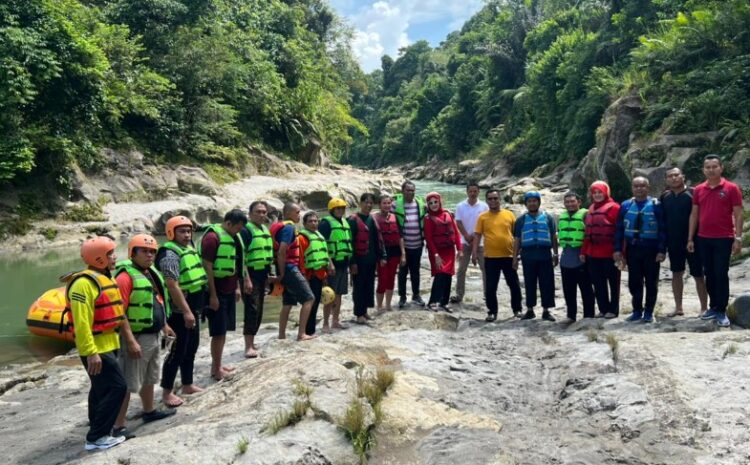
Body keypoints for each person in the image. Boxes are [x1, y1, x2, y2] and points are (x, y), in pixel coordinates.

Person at [64, 236, 127, 450]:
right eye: (110, 254)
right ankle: (97, 437)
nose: (114, 257)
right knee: (118, 387)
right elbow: (81, 323)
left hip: (109, 344)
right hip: (96, 349)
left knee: (100, 389)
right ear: (98, 258)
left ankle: (99, 428)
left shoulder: (103, 277)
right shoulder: (83, 284)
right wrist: (90, 352)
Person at [114, 234, 176, 438]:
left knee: (150, 377)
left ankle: (149, 411)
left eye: (152, 251)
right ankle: (118, 426)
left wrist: (165, 325)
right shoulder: (125, 277)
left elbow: (157, 300)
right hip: (138, 337)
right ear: (133, 253)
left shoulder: (150, 273)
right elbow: (119, 312)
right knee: (128, 382)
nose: (149, 255)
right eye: (144, 251)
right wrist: (130, 340)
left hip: (154, 334)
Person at [688, 155, 744, 327]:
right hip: (703, 238)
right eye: (707, 167)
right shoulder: (698, 189)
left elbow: (739, 213)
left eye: (714, 166)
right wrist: (690, 238)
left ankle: (721, 309)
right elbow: (695, 214)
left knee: (721, 273)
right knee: (709, 273)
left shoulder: (731, 188)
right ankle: (713, 306)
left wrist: (738, 238)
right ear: (703, 170)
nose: (711, 170)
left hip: (724, 238)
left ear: (721, 168)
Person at [157, 216, 207, 408]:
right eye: (182, 232)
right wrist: (186, 312)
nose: (187, 235)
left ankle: (188, 384)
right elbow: (172, 285)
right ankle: (167, 392)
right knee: (177, 351)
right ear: (171, 233)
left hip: (193, 306)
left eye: (189, 231)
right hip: (179, 310)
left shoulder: (189, 248)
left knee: (192, 347)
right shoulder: (169, 254)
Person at [200, 209, 249, 379]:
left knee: (224, 330)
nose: (239, 231)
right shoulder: (212, 238)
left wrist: (236, 287)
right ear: (228, 223)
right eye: (238, 227)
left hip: (229, 288)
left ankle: (218, 365)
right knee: (218, 331)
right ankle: (215, 369)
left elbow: (234, 264)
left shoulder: (233, 237)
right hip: (217, 291)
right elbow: (207, 267)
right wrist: (213, 295)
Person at [614, 177, 667, 323]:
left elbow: (663, 229)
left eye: (642, 186)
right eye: (636, 186)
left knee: (651, 282)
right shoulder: (625, 205)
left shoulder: (656, 205)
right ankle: (637, 310)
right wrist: (618, 249)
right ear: (632, 188)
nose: (639, 189)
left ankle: (649, 312)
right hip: (632, 249)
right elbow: (619, 229)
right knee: (634, 281)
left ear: (648, 187)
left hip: (651, 249)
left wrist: (662, 250)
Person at [660, 167, 708, 317]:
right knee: (676, 273)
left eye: (676, 175)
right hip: (673, 242)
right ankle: (678, 307)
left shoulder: (694, 193)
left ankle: (704, 308)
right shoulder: (664, 197)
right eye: (670, 176)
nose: (674, 178)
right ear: (666, 179)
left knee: (698, 275)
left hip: (694, 241)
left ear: (683, 176)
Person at [473, 188, 523, 321]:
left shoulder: (509, 215)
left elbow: (516, 235)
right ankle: (492, 311)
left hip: (508, 256)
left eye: (495, 198)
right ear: (487, 201)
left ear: (500, 199)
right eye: (490, 199)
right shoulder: (482, 217)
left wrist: (517, 254)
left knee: (514, 285)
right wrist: (474, 252)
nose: (493, 201)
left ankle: (517, 309)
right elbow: (477, 236)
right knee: (490, 287)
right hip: (490, 257)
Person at [271, 202, 316, 340]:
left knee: (288, 302)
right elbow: (282, 251)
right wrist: (282, 274)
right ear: (288, 213)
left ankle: (281, 335)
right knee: (309, 298)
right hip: (289, 268)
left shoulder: (280, 227)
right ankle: (301, 334)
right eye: (297, 212)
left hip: (283, 267)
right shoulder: (289, 228)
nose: (299, 215)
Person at [513, 191, 558, 321]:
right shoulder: (521, 220)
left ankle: (546, 310)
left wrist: (555, 254)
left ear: (539, 202)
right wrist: (515, 257)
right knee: (529, 282)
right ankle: (530, 309)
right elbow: (517, 239)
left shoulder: (548, 217)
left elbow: (553, 237)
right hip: (528, 255)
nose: (532, 203)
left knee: (547, 282)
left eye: (534, 201)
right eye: (529, 201)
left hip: (544, 254)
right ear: (526, 204)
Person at [581, 181, 621, 319]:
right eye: (595, 192)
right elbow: (587, 233)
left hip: (610, 252)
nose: (597, 195)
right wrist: (583, 251)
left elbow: (619, 231)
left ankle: (613, 309)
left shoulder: (614, 207)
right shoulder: (591, 208)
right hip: (593, 252)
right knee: (597, 282)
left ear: (606, 193)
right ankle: (603, 308)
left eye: (600, 192)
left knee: (613, 282)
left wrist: (619, 251)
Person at [239, 201, 274, 358]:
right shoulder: (246, 230)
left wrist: (269, 275)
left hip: (262, 274)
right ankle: (248, 346)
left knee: (259, 309)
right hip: (250, 274)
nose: (262, 215)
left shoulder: (264, 229)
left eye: (264, 212)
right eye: (258, 212)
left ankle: (252, 342)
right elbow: (242, 257)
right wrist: (246, 279)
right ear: (250, 213)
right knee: (252, 309)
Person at [557, 192, 595, 322]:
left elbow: (589, 236)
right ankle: (571, 315)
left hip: (581, 256)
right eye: (567, 202)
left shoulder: (585, 215)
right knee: (568, 289)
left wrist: (585, 253)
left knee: (586, 288)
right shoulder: (562, 216)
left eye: (572, 201)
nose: (570, 204)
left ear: (579, 202)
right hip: (566, 257)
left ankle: (589, 315)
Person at [423, 192, 463, 311]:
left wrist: (460, 249)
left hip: (449, 250)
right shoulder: (428, 219)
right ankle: (432, 301)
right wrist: (435, 255)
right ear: (428, 205)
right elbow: (429, 239)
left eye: (436, 202)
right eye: (431, 203)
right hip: (436, 252)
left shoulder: (448, 214)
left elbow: (456, 233)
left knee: (448, 276)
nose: (434, 205)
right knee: (440, 274)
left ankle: (444, 302)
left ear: (440, 201)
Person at [319, 198, 354, 330]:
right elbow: (323, 245)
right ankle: (325, 324)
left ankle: (335, 320)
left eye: (342, 209)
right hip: (332, 265)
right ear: (332, 210)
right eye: (337, 209)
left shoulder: (345, 222)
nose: (340, 211)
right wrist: (329, 263)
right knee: (329, 294)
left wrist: (351, 263)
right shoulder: (325, 223)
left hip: (343, 263)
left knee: (339, 294)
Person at [451, 182, 488, 304]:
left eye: (475, 191)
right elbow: (458, 222)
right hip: (464, 242)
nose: (473, 193)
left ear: (478, 192)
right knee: (461, 269)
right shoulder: (460, 206)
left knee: (485, 269)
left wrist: (475, 236)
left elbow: (486, 223)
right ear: (467, 192)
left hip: (481, 242)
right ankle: (459, 294)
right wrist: (466, 236)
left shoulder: (484, 206)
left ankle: (487, 295)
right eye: (470, 191)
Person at [299, 211, 334, 333]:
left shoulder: (319, 235)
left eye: (315, 221)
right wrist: (304, 277)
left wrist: (330, 265)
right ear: (304, 224)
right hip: (310, 275)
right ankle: (308, 331)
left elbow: (324, 252)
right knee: (311, 303)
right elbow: (300, 259)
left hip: (321, 274)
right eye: (310, 221)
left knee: (318, 302)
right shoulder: (302, 238)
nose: (314, 224)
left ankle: (311, 330)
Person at [393, 181, 426, 308]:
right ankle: (402, 296)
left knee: (415, 271)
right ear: (402, 191)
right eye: (408, 190)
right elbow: (384, 215)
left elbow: (433, 211)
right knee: (402, 272)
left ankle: (416, 295)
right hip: (403, 247)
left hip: (418, 245)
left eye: (413, 190)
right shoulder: (395, 205)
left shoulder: (420, 204)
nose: (411, 193)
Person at [347, 193, 379, 323]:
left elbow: (376, 241)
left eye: (371, 202)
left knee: (369, 285)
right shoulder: (353, 220)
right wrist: (352, 262)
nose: (369, 205)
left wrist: (379, 257)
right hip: (358, 260)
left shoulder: (372, 219)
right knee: (358, 286)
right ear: (360, 203)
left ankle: (365, 311)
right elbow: (350, 242)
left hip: (371, 259)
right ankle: (358, 313)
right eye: (366, 202)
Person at [373, 193, 406, 312]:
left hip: (395, 252)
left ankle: (388, 305)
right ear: (379, 205)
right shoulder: (374, 218)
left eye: (388, 203)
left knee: (391, 278)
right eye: (384, 203)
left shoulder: (394, 217)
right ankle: (379, 306)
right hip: (381, 253)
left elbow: (400, 237)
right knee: (382, 279)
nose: (387, 205)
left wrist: (403, 254)